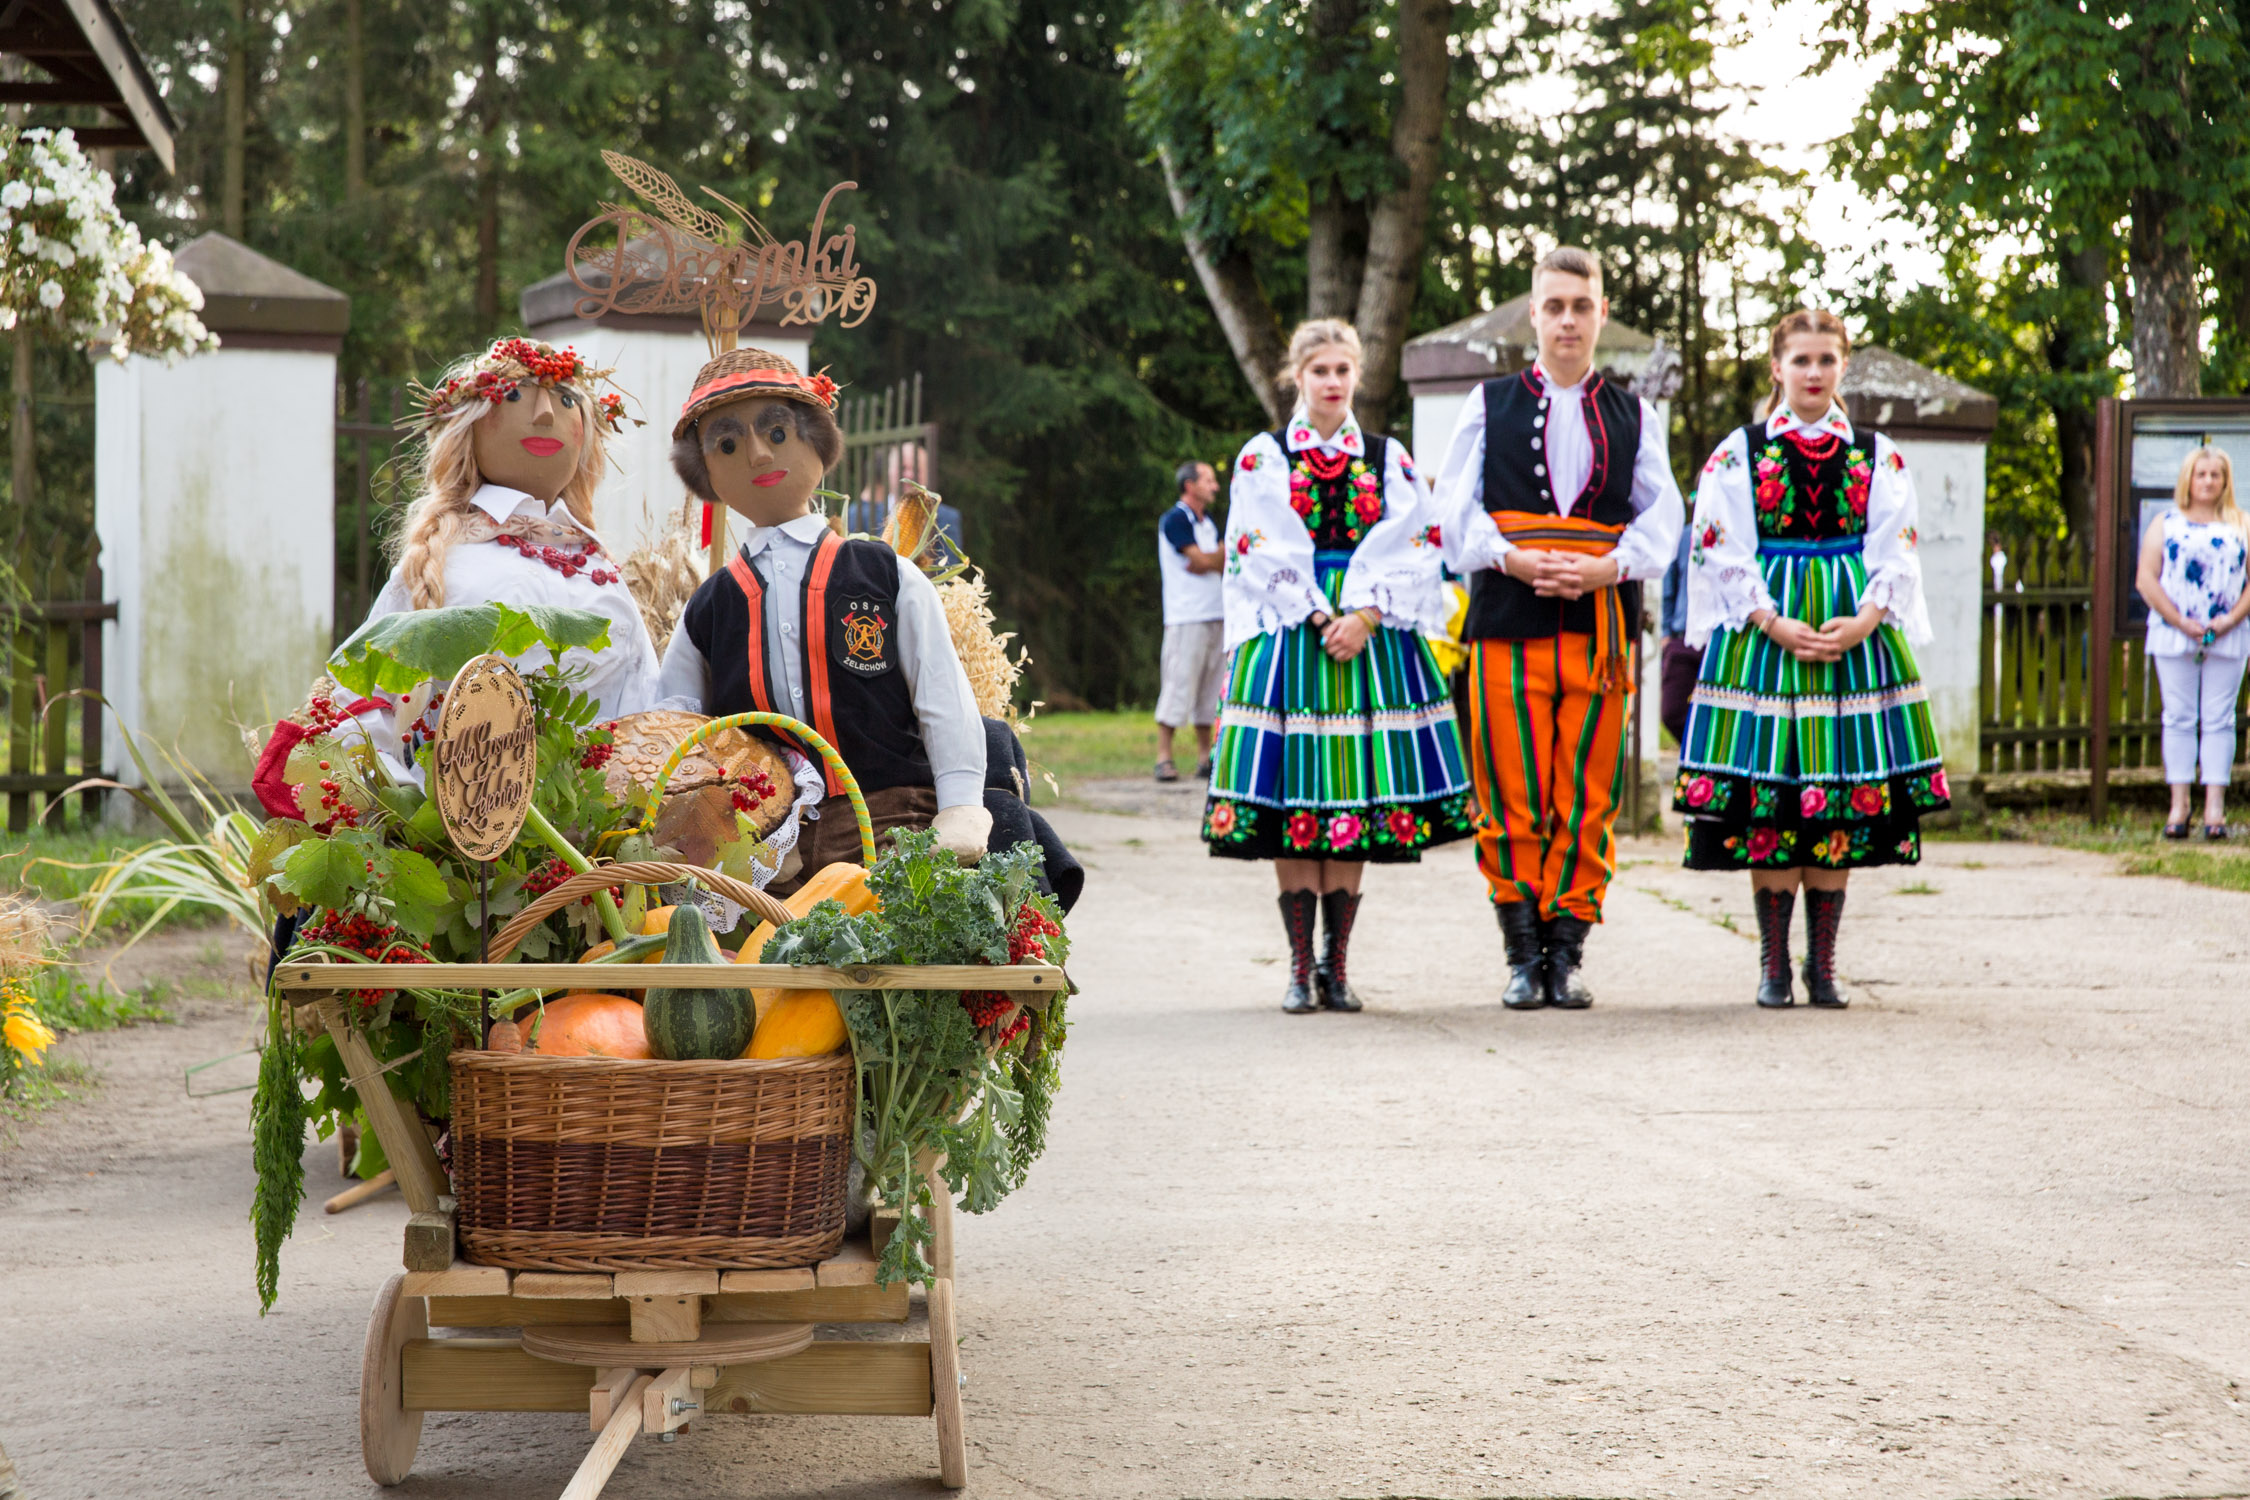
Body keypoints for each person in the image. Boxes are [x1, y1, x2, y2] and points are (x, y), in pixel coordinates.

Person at [1675, 308, 1948, 1008]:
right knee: (1776, 798)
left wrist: (1864, 621)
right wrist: (1769, 619)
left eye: (1827, 360)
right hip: (1769, 643)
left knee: (1836, 800)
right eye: (1801, 360)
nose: (1814, 372)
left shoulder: (1873, 452)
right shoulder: (1741, 451)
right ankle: (1772, 965)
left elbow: (1897, 546)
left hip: (1848, 643)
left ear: (1843, 366)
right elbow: (1718, 545)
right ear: (1777, 366)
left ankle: (1821, 966)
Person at [1203, 319, 1477, 1014]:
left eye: (1342, 370)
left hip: (1365, 639)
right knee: (1296, 798)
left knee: (1348, 799)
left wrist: (1368, 616)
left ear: (1356, 375)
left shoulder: (1386, 456)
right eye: (1319, 370)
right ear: (1297, 376)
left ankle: (1337, 965)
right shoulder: (1264, 455)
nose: (1331, 382)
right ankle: (1299, 965)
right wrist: (1323, 615)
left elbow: (1417, 540)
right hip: (1293, 638)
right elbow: (1256, 544)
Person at [1435, 247, 1684, 1011]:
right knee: (1510, 789)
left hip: (1600, 627)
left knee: (1586, 792)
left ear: (1601, 312)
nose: (1568, 319)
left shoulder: (1633, 413)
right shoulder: (1488, 403)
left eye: (1581, 305)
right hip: (1506, 621)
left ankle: (1566, 953)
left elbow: (1664, 517)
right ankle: (1520, 953)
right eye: (1554, 305)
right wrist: (1509, 559)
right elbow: (1451, 510)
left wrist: (1608, 569)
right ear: (1533, 315)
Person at [653, 347, 992, 888]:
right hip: (766, 846)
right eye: (729, 444)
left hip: (894, 824)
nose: (759, 456)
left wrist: (959, 807)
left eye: (778, 433)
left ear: (818, 438)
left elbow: (943, 698)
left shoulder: (887, 576)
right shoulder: (709, 608)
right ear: (706, 472)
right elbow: (675, 727)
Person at [2135, 445, 2250, 840]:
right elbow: (2146, 578)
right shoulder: (2165, 523)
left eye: (2215, 475)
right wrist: (2180, 620)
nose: (2208, 481)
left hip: (2227, 632)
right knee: (2179, 718)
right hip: (2174, 632)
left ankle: (2215, 807)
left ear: (2225, 480)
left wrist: (2231, 618)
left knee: (2220, 719)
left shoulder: (2241, 523)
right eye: (2201, 474)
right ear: (2188, 478)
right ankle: (2179, 804)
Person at [1154, 458, 1226, 782]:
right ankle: (1163, 757)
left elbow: (1217, 561)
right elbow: (1200, 559)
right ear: (1190, 485)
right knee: (1179, 684)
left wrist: (1209, 560)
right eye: (1208, 480)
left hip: (1216, 613)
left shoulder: (1209, 523)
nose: (1215, 487)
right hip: (1187, 617)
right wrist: (1212, 559)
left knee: (1211, 689)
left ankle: (1204, 757)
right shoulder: (1174, 520)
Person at [1658, 522, 1697, 745]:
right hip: (1683, 635)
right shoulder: (1684, 536)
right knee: (1672, 712)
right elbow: (1669, 585)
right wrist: (1666, 634)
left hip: (1720, 637)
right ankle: (1694, 754)